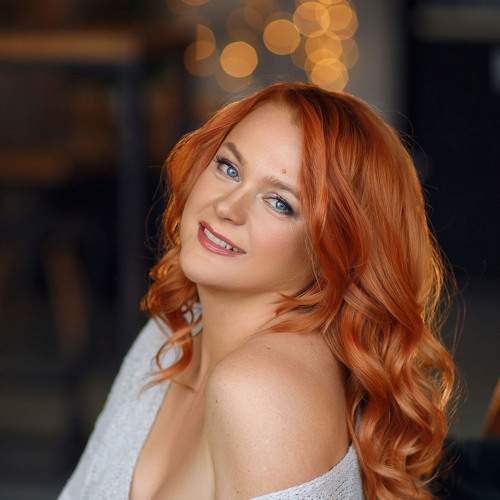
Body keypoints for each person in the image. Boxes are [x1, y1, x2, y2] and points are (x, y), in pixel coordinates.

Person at [57, 81, 460, 500]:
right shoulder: (174, 330)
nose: (227, 207)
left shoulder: (260, 393)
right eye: (229, 168)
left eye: (280, 203)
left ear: (335, 251)